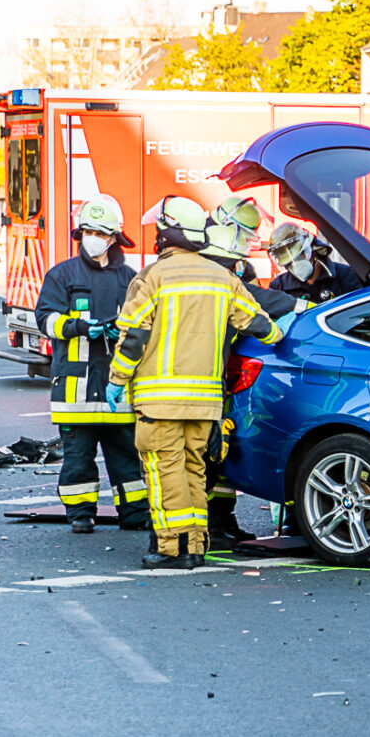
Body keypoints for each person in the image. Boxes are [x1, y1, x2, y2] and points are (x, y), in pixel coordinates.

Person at [107, 196, 280, 568]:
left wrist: (117, 378)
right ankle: (197, 546)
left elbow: (133, 338)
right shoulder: (224, 278)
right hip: (205, 402)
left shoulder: (152, 277)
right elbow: (263, 327)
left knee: (163, 470)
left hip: (159, 401)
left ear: (167, 234)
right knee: (194, 469)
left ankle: (173, 549)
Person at [32, 194, 149, 534]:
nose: (91, 238)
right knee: (78, 460)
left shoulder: (131, 279)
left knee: (127, 459)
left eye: (99, 232)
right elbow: (45, 319)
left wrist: (119, 329)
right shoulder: (62, 275)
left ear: (114, 237)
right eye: (86, 231)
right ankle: (80, 514)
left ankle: (135, 515)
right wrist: (77, 327)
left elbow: (144, 324)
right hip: (75, 390)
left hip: (117, 388)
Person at [199, 195, 283, 548]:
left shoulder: (222, 263)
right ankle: (197, 529)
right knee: (200, 457)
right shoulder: (212, 265)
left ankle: (217, 521)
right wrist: (299, 308)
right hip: (199, 380)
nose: (248, 244)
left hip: (215, 378)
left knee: (218, 455)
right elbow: (251, 302)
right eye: (245, 236)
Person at [268, 222, 360, 307]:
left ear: (313, 250)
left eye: (299, 257)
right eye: (288, 263)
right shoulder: (279, 286)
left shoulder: (346, 276)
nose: (295, 266)